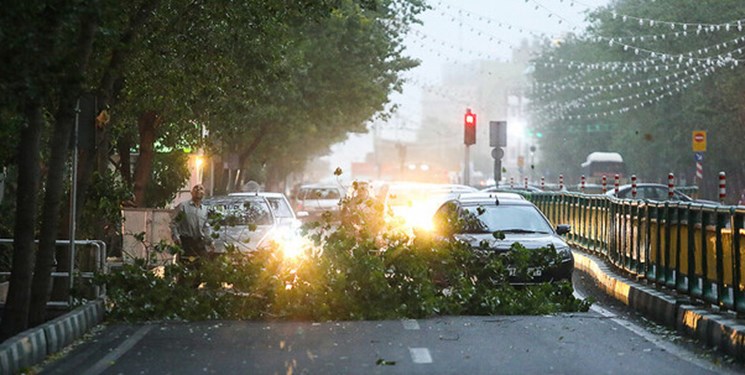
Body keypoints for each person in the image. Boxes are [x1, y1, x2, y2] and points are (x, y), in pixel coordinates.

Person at [170, 184, 212, 287]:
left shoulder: (204, 209)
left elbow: (206, 226)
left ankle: (194, 288)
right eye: (196, 188)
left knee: (203, 266)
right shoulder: (183, 206)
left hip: (199, 242)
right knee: (185, 267)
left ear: (204, 193)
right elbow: (174, 223)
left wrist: (209, 241)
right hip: (186, 242)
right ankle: (180, 290)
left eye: (201, 188)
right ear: (191, 192)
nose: (198, 190)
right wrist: (176, 237)